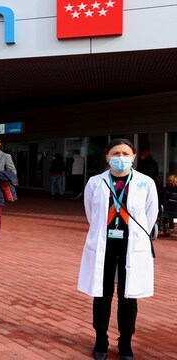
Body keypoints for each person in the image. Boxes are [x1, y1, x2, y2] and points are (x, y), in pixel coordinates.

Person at [78, 139, 157, 360]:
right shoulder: (95, 182)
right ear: (107, 157)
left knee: (128, 297)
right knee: (102, 295)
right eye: (116, 153)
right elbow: (91, 214)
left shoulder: (145, 183)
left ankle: (125, 342)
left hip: (132, 247)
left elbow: (149, 216)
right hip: (104, 246)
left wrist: (137, 235)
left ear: (133, 157)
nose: (120, 157)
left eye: (125, 153)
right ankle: (101, 339)